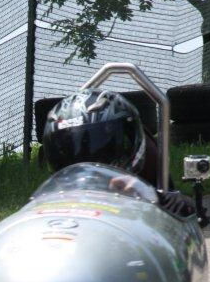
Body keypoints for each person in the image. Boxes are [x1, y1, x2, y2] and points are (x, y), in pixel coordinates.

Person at [42, 89, 195, 217]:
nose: (87, 162)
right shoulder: (50, 200)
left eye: (100, 148)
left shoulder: (145, 184)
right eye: (70, 151)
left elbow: (183, 213)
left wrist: (149, 195)